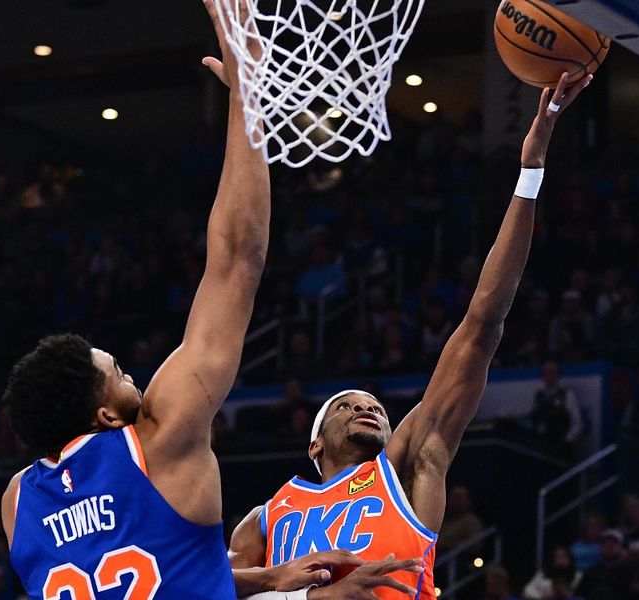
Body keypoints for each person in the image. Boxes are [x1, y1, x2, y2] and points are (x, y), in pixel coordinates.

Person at [228, 73, 593, 599]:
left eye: (374, 404)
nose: (366, 408)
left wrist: (529, 173)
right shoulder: (266, 518)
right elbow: (204, 587)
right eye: (345, 406)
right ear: (314, 442)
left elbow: (481, 326)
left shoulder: (404, 465)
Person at [0, 3, 273, 598]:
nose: (135, 378)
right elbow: (237, 262)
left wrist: (262, 580)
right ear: (105, 414)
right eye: (119, 373)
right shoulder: (159, 434)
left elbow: (140, 567)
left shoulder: (18, 502)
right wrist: (248, 96)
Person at [530, 361, 583, 461]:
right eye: (546, 373)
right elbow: (534, 417)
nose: (549, 376)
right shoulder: (539, 396)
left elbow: (578, 423)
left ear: (558, 375)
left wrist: (567, 440)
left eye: (552, 372)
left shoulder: (567, 395)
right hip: (543, 446)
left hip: (562, 447)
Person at [575, 529, 634, 600]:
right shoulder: (593, 571)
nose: (609, 547)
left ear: (621, 548)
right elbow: (580, 593)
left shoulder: (629, 570)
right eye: (606, 544)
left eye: (613, 544)